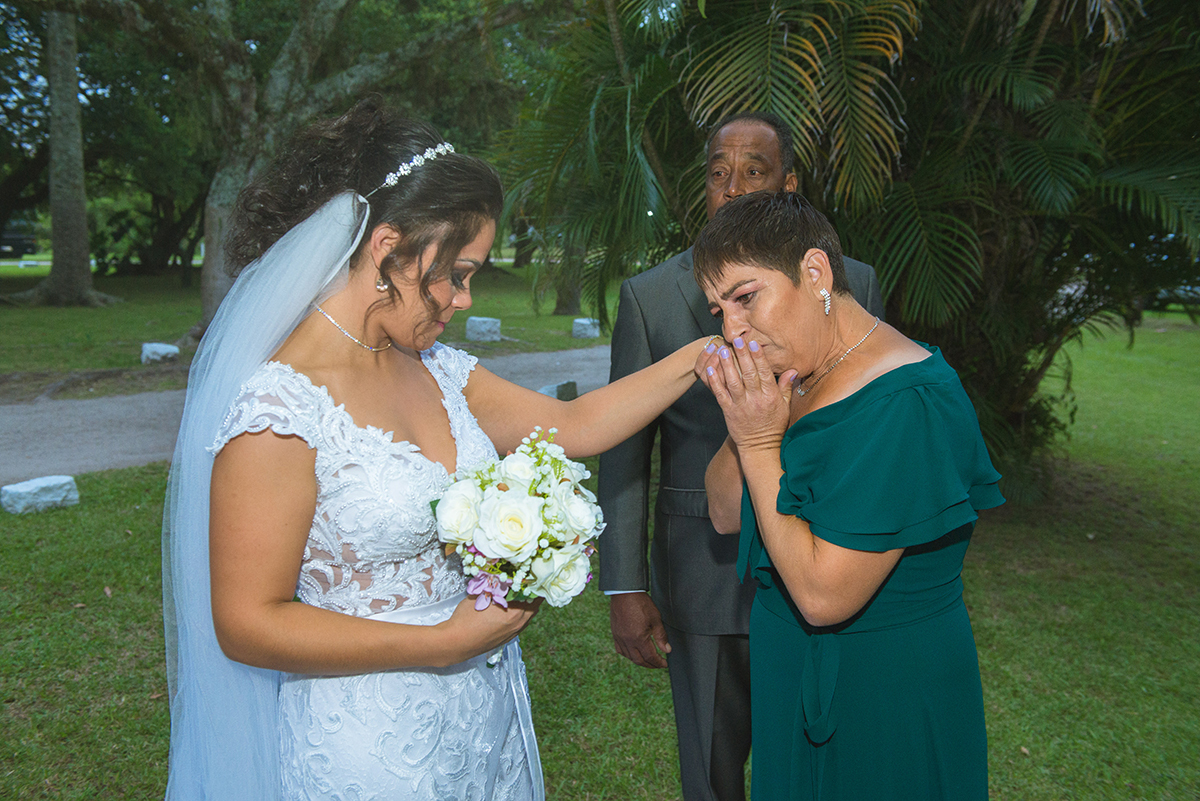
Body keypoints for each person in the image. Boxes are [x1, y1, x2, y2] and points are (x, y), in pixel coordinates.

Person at [162, 99, 711, 800]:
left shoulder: (438, 368)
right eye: (458, 273)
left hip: (483, 720)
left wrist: (704, 354)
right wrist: (443, 642)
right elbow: (247, 623)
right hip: (371, 745)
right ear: (389, 247)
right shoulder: (280, 409)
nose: (465, 298)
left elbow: (573, 424)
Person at [597, 111, 884, 801]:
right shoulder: (651, 296)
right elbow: (624, 453)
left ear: (789, 183)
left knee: (816, 763)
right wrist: (624, 585)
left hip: (823, 558)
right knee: (710, 770)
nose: (733, 187)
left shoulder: (853, 284)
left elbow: (868, 425)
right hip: (704, 568)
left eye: (754, 170)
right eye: (719, 173)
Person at [693, 190, 1004, 800]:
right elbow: (724, 513)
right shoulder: (795, 376)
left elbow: (822, 596)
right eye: (717, 311)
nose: (732, 329)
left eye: (745, 297)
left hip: (883, 690)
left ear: (815, 273)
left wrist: (759, 444)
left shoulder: (905, 400)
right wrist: (746, 426)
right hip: (787, 671)